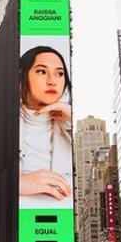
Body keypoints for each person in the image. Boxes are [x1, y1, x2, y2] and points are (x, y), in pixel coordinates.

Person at [19, 46, 72, 202]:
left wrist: (72, 119)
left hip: (61, 216)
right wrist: (17, 182)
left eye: (59, 73)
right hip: (21, 216)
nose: (52, 81)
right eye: (41, 71)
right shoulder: (3, 120)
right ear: (22, 76)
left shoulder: (69, 121)